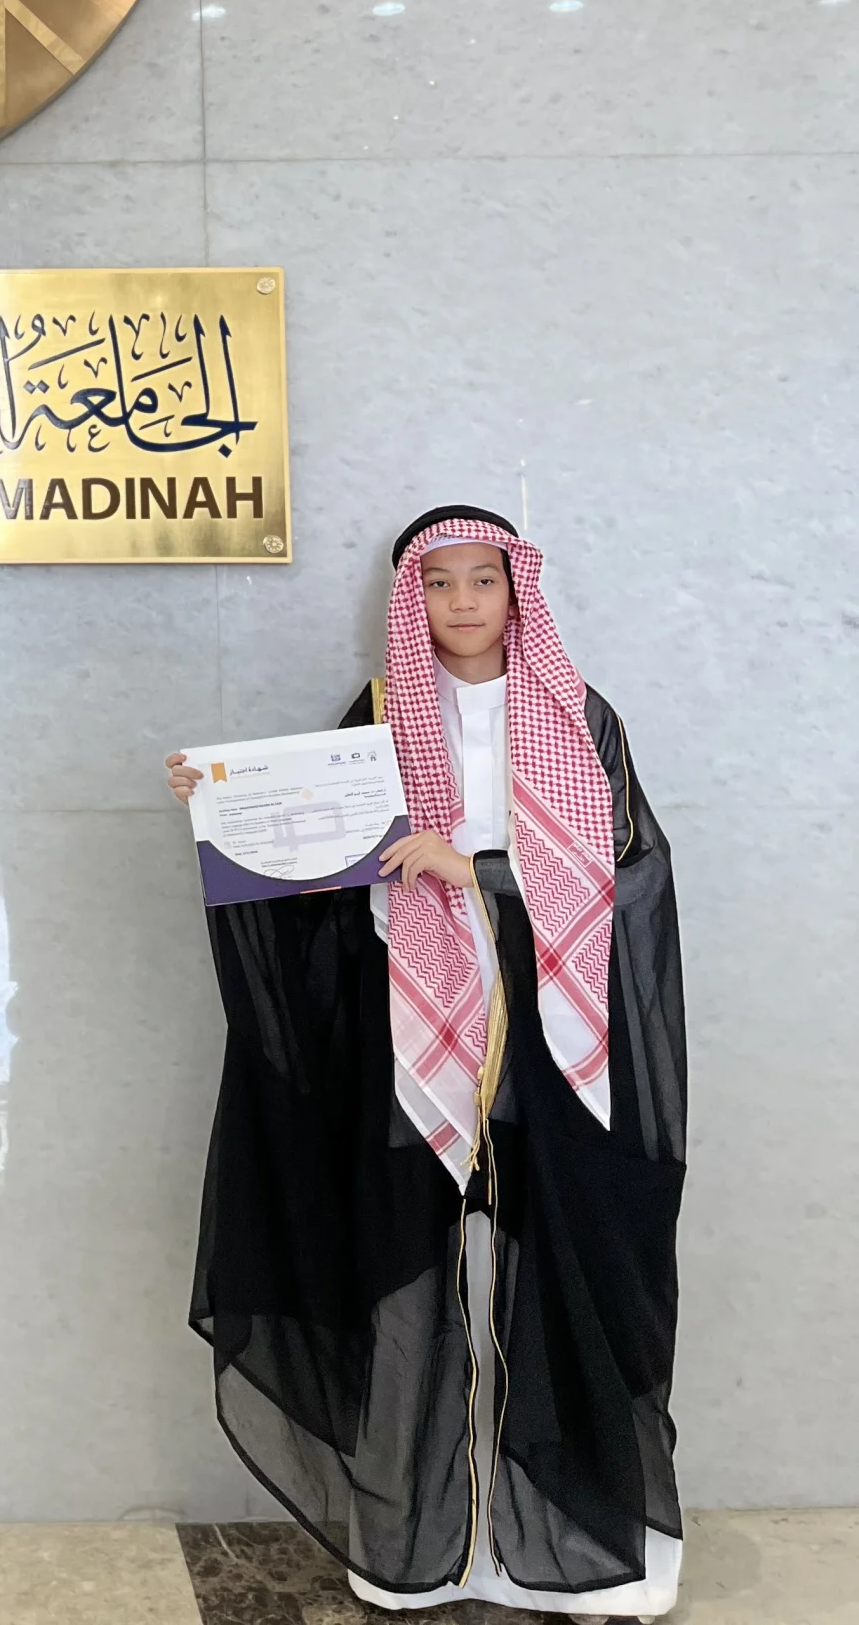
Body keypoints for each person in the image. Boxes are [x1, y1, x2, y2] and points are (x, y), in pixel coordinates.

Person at [167, 504, 685, 1616]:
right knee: (421, 1271)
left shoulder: (579, 713)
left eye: (482, 580)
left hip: (558, 1037)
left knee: (564, 1269)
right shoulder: (381, 714)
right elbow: (323, 865)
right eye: (438, 583)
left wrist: (479, 873)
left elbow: (630, 871)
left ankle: (582, 1544)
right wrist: (226, 812)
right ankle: (425, 1539)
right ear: (411, 598)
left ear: (516, 588)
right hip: (411, 1032)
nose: (462, 602)